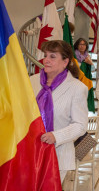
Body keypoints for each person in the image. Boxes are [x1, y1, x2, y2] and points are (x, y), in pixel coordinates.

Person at [30, 40, 88, 184]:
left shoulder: (77, 88)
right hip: (29, 151)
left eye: (53, 56)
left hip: (57, 154)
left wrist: (56, 136)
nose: (46, 60)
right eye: (46, 55)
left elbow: (80, 125)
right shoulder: (32, 81)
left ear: (65, 61)